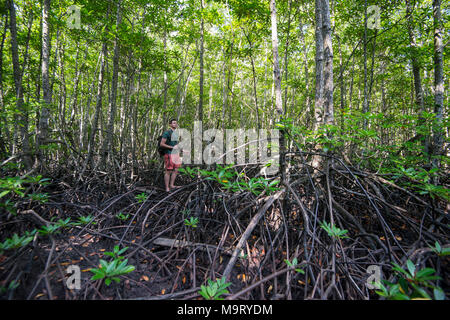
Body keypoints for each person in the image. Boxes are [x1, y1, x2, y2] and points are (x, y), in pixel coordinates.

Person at [160, 119, 182, 192]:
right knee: (168, 171)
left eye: (176, 123)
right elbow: (162, 144)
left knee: (176, 170)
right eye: (174, 123)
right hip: (169, 153)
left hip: (176, 154)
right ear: (170, 124)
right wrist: (172, 147)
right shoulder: (167, 133)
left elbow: (176, 145)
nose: (175, 124)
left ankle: (172, 185)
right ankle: (167, 188)